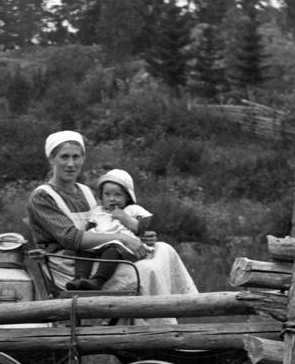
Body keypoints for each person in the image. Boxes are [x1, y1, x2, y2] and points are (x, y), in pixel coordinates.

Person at [27, 132, 197, 321]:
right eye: (64, 157)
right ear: (51, 159)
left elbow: (105, 224)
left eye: (76, 157)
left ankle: (192, 306)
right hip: (71, 265)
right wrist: (122, 238)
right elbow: (71, 238)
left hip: (101, 256)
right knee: (147, 269)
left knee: (164, 249)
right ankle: (160, 327)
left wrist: (137, 235)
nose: (71, 164)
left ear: (83, 158)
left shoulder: (86, 192)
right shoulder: (42, 197)